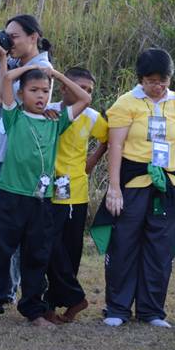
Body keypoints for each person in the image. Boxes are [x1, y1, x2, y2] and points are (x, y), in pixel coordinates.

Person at [0, 47, 91, 327]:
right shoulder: (13, 116)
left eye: (45, 91)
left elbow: (85, 98)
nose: (41, 96)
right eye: (34, 90)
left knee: (36, 256)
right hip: (11, 196)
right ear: (21, 93)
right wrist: (29, 69)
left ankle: (34, 311)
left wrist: (56, 75)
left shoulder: (56, 121)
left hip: (40, 200)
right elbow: (6, 80)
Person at [103, 48, 175, 328]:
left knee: (160, 247)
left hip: (168, 185)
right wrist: (114, 188)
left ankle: (152, 310)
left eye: (163, 81)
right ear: (141, 79)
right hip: (133, 183)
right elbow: (115, 146)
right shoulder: (126, 103)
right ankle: (118, 308)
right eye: (152, 81)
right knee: (124, 244)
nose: (158, 87)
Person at [0, 14, 53, 301]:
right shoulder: (14, 60)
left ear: (34, 37)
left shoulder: (42, 70)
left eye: (14, 36)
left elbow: (10, 95)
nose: (10, 41)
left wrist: (5, 60)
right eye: (6, 35)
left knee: (11, 228)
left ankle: (6, 287)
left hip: (17, 160)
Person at [43, 67, 108, 324]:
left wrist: (92, 161)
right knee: (48, 246)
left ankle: (62, 305)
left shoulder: (91, 117)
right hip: (47, 190)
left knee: (70, 252)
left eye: (89, 90)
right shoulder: (48, 110)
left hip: (76, 193)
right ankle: (70, 298)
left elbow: (108, 138)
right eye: (80, 88)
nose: (85, 94)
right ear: (63, 88)